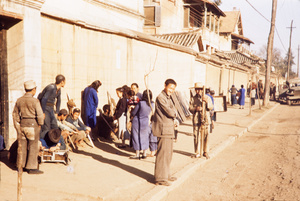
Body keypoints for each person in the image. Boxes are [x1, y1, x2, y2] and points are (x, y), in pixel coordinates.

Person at [12, 80, 44, 174]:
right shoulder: (35, 101)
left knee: (22, 146)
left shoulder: (19, 100)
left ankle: (21, 166)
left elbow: (15, 114)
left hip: (22, 124)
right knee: (33, 146)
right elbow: (40, 115)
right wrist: (40, 124)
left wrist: (18, 124)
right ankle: (31, 167)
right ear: (34, 90)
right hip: (32, 125)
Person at [152, 79, 178, 186]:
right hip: (163, 129)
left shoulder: (168, 98)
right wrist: (174, 114)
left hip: (168, 129)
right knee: (163, 154)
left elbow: (174, 110)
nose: (171, 90)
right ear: (165, 85)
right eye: (170, 88)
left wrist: (174, 114)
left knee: (168, 154)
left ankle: (166, 175)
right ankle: (160, 179)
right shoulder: (161, 98)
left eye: (173, 89)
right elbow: (171, 112)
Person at [189, 82, 213, 159]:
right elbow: (190, 108)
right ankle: (197, 152)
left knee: (206, 135)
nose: (198, 91)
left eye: (199, 89)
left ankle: (205, 152)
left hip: (205, 119)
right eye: (196, 90)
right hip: (196, 119)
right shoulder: (193, 98)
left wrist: (206, 102)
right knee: (196, 135)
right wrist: (195, 109)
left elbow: (211, 107)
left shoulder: (207, 97)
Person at [130, 90, 154, 159]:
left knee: (136, 137)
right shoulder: (152, 104)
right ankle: (144, 153)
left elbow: (134, 112)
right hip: (146, 122)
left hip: (137, 121)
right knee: (145, 137)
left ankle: (137, 154)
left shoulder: (141, 103)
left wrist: (131, 110)